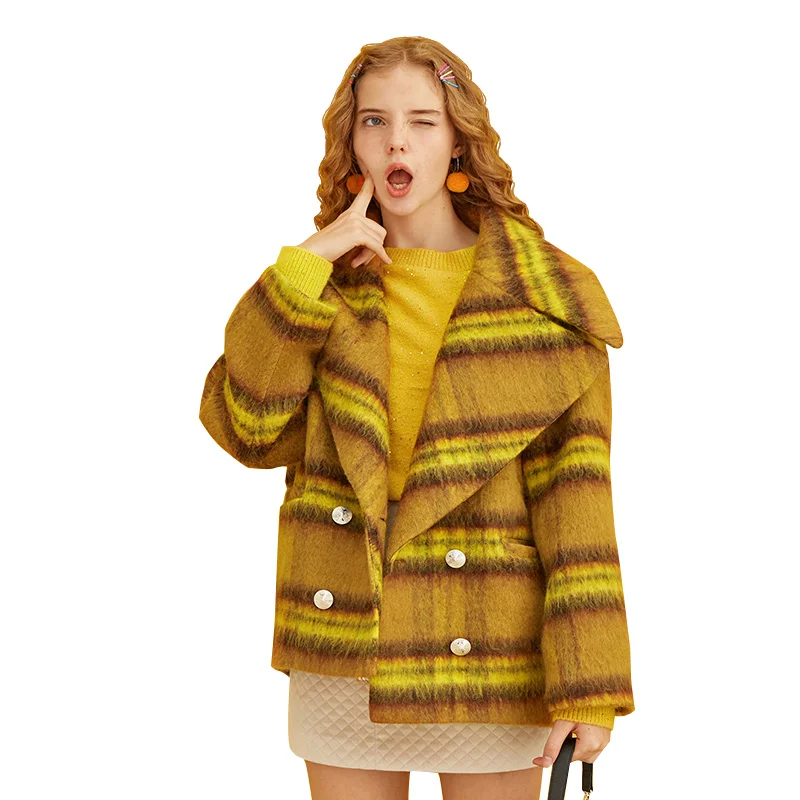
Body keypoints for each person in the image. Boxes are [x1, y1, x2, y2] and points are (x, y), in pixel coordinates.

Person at [199, 35, 634, 800]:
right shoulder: (322, 288)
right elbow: (247, 431)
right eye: (375, 121)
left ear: (458, 139)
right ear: (352, 141)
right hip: (346, 634)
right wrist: (303, 268)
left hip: (488, 640)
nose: (396, 141)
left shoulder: (544, 297)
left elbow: (577, 506)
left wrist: (590, 686)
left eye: (422, 122)